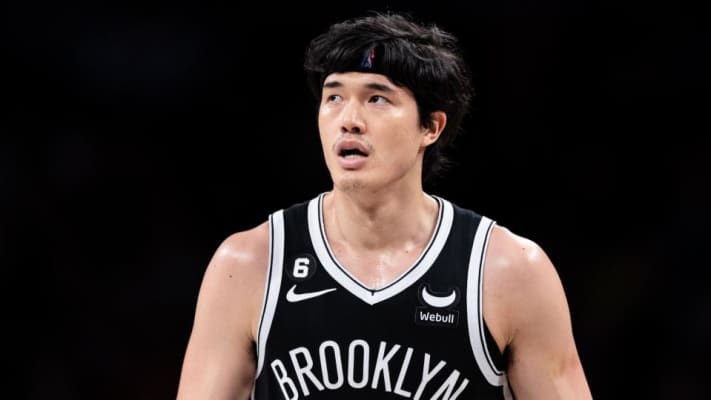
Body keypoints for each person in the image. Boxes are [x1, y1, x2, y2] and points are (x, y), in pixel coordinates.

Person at [176, 11, 592, 400]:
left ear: (431, 126)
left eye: (377, 98)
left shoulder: (509, 271)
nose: (349, 119)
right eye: (334, 97)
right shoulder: (249, 264)